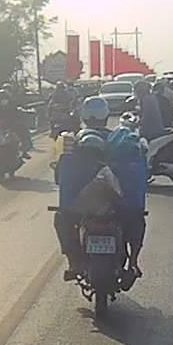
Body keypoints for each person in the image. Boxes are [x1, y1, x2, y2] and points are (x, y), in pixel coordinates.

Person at [53, 97, 114, 280]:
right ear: (106, 116)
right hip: (114, 203)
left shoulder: (72, 141)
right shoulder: (116, 139)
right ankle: (133, 263)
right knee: (134, 218)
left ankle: (73, 262)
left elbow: (60, 176)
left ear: (84, 117)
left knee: (62, 218)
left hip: (81, 205)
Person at [106, 124, 149, 280]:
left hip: (107, 210)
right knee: (138, 226)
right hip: (131, 211)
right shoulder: (139, 165)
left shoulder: (106, 165)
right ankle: (133, 262)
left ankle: (133, 262)